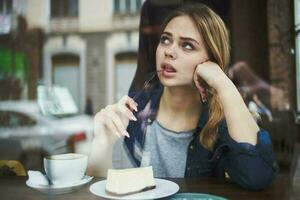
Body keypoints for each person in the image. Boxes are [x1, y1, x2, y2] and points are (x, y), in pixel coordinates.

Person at [88, 3, 278, 190]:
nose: (169, 51)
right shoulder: (135, 111)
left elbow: (258, 176)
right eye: (165, 40)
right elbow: (102, 188)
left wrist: (222, 82)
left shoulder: (221, 122)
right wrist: (102, 142)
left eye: (187, 45)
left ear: (210, 61)